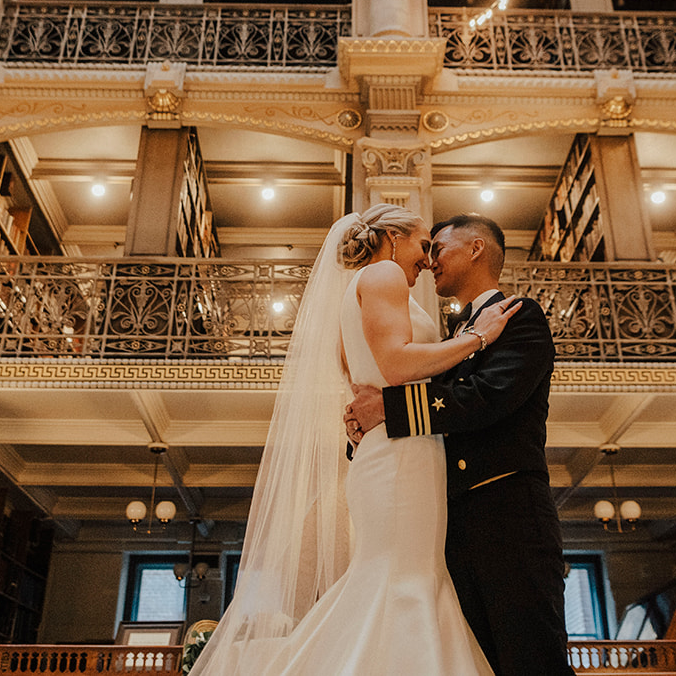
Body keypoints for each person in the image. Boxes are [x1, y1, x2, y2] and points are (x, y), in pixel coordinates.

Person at [190, 204, 521, 676]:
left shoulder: (356, 292)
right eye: (423, 245)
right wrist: (478, 339)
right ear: (392, 237)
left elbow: (365, 383)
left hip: (389, 447)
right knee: (402, 578)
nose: (427, 261)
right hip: (402, 455)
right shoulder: (383, 273)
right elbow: (398, 366)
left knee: (397, 574)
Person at [345, 213, 573, 676]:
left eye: (439, 248)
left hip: (507, 513)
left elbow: (486, 398)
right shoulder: (456, 336)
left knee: (531, 657)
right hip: (451, 519)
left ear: (476, 249)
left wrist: (390, 410)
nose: (429, 261)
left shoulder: (518, 315)